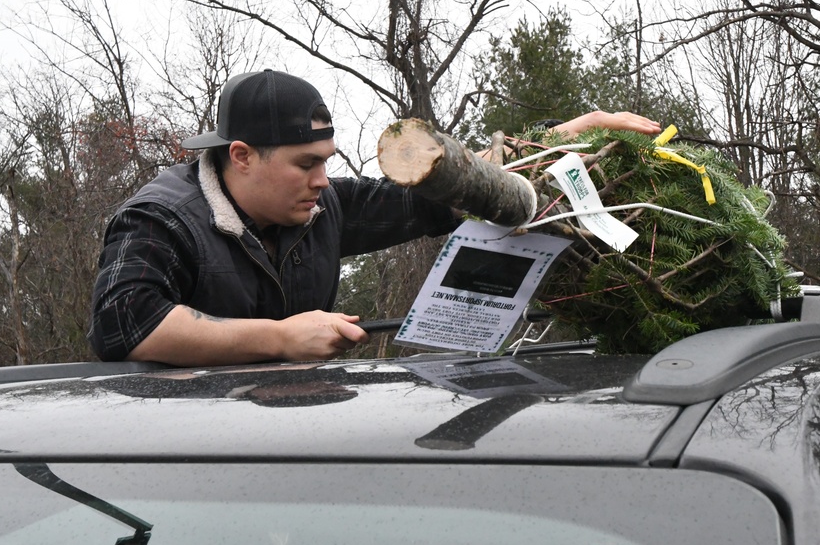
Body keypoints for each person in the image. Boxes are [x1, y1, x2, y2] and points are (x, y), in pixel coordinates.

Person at [89, 68, 660, 366]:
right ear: (241, 155)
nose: (322, 181)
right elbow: (127, 326)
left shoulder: (319, 208)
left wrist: (561, 138)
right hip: (184, 462)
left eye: (327, 164)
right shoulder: (161, 220)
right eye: (305, 164)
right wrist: (281, 339)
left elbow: (431, 196)